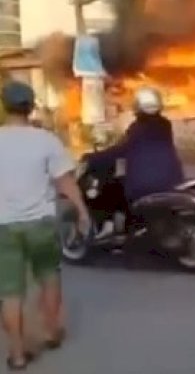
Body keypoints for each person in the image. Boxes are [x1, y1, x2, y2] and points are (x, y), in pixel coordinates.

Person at [0, 80, 91, 369]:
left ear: (4, 107)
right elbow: (65, 181)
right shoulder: (46, 140)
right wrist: (82, 211)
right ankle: (51, 333)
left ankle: (16, 354)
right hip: (40, 224)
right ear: (30, 107)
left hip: (4, 228)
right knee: (49, 278)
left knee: (10, 293)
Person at [90, 87, 184, 237]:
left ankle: (109, 227)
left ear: (137, 107)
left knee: (112, 188)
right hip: (172, 180)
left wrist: (94, 157)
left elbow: (121, 150)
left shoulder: (137, 129)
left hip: (144, 185)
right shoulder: (165, 125)